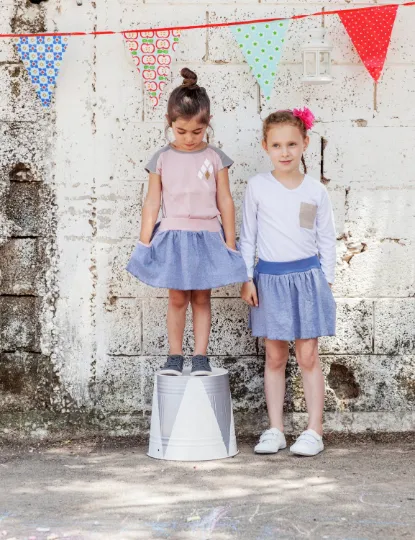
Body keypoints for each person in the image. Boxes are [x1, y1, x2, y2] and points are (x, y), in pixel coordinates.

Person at [127, 67, 248, 377]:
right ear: (171, 124)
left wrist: (230, 242)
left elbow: (225, 200)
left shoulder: (216, 158)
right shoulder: (161, 159)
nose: (190, 138)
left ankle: (200, 356)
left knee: (202, 297)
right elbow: (152, 201)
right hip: (173, 235)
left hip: (207, 235)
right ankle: (175, 354)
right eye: (181, 132)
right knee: (178, 297)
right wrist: (144, 241)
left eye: (197, 131)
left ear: (207, 124)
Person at [240, 108, 336, 456]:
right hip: (270, 280)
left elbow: (326, 238)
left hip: (308, 278)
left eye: (292, 144)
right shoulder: (257, 186)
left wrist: (326, 282)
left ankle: (314, 429)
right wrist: (247, 278)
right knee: (275, 355)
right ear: (265, 146)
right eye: (277, 144)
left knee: (308, 354)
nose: (285, 152)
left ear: (305, 144)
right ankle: (275, 429)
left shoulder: (315, 191)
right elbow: (247, 236)